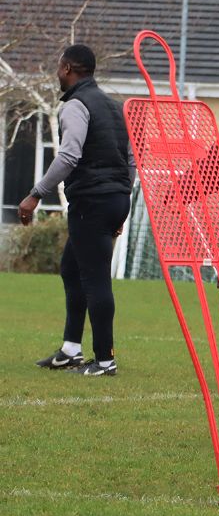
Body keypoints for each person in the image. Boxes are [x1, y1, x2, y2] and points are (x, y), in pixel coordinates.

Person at [20, 44, 135, 376]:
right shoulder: (115, 108)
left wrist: (35, 194)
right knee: (72, 268)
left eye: (59, 68)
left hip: (92, 200)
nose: (57, 74)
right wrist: (121, 202)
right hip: (114, 198)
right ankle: (71, 349)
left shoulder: (75, 105)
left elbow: (69, 156)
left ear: (68, 68)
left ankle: (104, 360)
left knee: (95, 279)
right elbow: (129, 161)